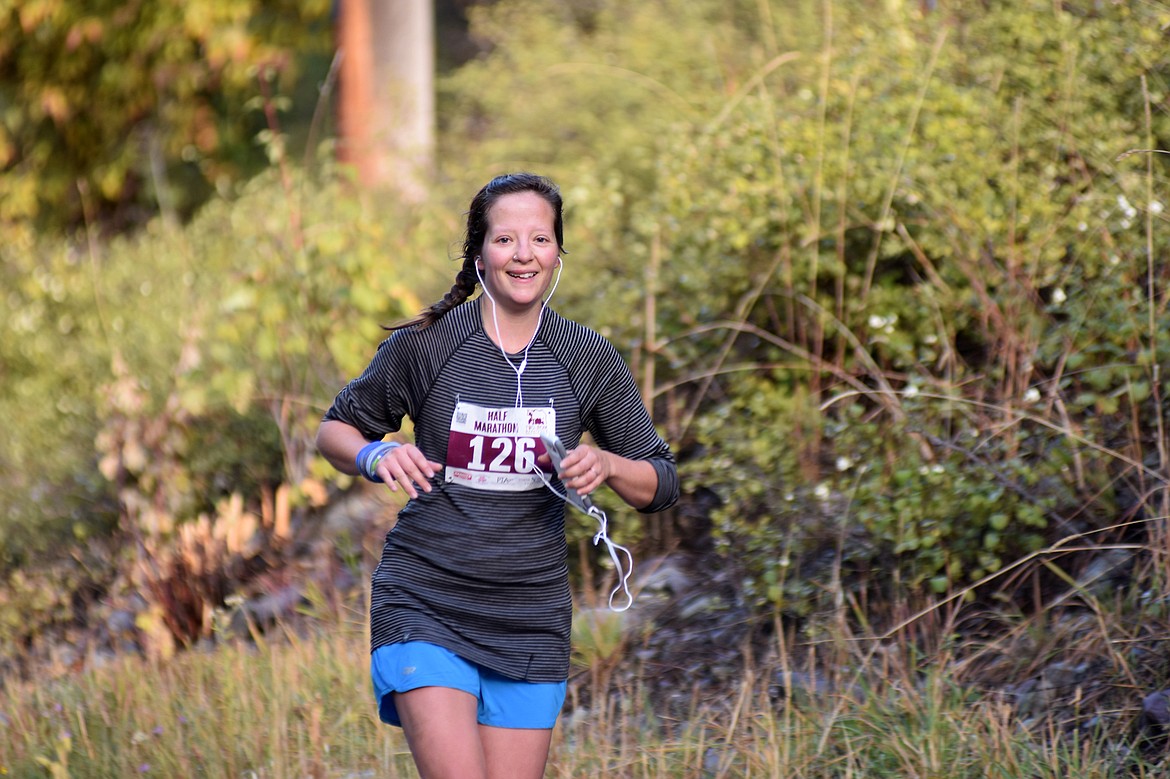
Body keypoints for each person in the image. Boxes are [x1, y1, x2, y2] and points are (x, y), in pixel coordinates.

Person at [315, 172, 679, 779]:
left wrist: (609, 464)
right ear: (479, 252)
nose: (524, 254)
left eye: (540, 239)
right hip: (425, 599)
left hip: (530, 616)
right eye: (505, 239)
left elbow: (661, 483)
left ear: (558, 252)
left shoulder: (585, 356)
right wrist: (374, 456)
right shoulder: (428, 344)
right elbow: (335, 429)